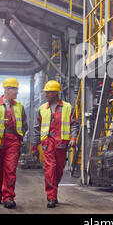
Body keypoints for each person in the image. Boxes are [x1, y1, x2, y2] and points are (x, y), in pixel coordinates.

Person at [32, 80, 79, 208]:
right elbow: (36, 129)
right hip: (47, 143)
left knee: (58, 170)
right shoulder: (42, 109)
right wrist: (34, 145)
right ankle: (51, 197)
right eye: (46, 92)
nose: (46, 94)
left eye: (48, 92)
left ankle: (54, 189)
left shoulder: (68, 107)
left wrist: (73, 138)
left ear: (55, 93)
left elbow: (74, 124)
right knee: (50, 169)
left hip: (62, 143)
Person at [0, 77, 28, 209]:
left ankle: (8, 197)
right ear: (7, 90)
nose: (17, 92)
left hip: (13, 141)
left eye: (17, 89)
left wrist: (20, 138)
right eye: (15, 89)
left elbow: (24, 125)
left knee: (10, 169)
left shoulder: (19, 106)